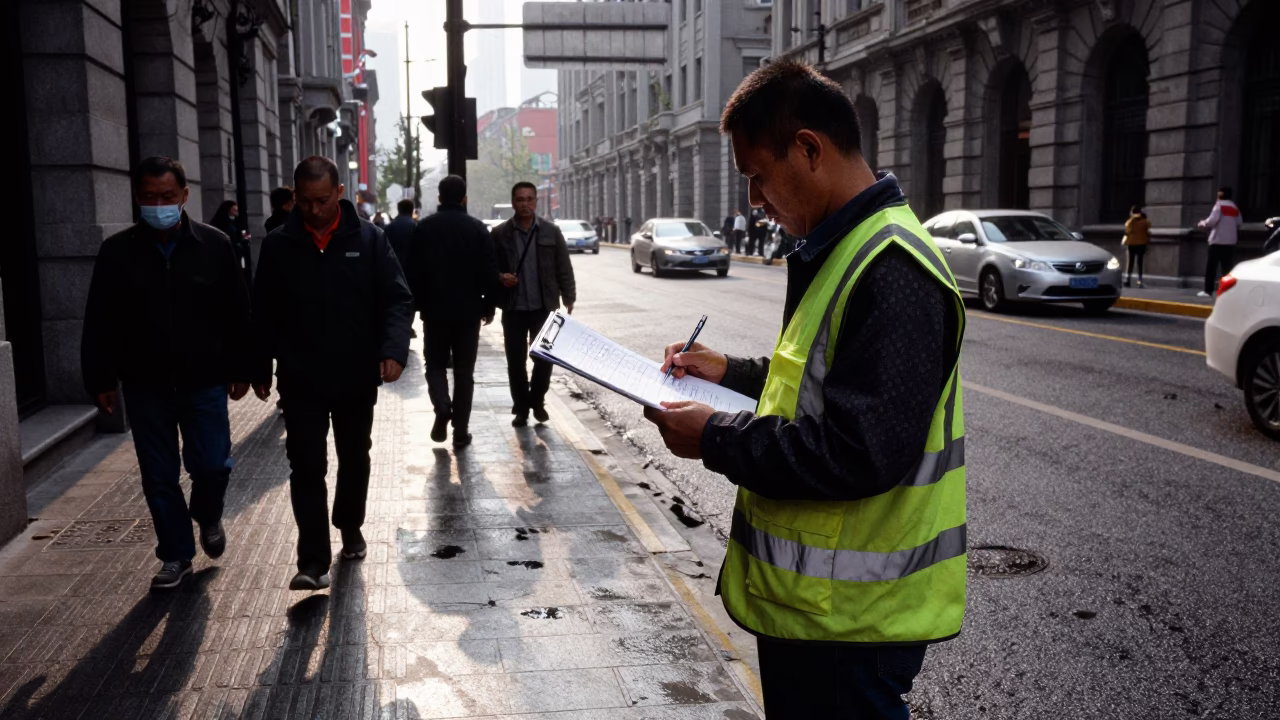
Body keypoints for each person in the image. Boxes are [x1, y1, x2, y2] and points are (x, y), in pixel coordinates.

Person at [643, 59, 965, 719]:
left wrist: (713, 438)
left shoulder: (892, 264)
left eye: (758, 177)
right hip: (819, 614)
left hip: (855, 626)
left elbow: (858, 448)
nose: (755, 201)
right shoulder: (842, 246)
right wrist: (725, 371)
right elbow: (815, 383)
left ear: (809, 149)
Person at [81, 157, 253, 590]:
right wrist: (100, 378)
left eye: (168, 197)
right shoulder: (118, 252)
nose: (159, 204)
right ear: (138, 198)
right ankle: (176, 554)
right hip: (146, 384)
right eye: (150, 197)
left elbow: (238, 313)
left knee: (212, 466)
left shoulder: (213, 245)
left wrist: (243, 367)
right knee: (159, 476)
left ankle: (209, 514)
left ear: (184, 197)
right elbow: (100, 319)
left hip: (204, 380)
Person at [251, 156, 414, 591]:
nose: (314, 210)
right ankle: (312, 561)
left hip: (355, 373)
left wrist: (394, 350)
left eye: (322, 200)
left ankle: (350, 524)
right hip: (301, 376)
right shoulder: (279, 244)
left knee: (354, 456)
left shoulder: (370, 239)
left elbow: (397, 300)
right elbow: (263, 311)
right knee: (305, 465)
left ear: (339, 193)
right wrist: (259, 364)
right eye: (305, 202)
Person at [404, 175, 498, 448]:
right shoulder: (478, 228)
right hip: (468, 312)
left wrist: (418, 305)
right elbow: (490, 271)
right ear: (464, 198)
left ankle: (443, 406)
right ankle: (461, 430)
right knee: (464, 371)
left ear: (439, 198)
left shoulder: (424, 228)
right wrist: (488, 306)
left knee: (434, 365)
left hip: (434, 311)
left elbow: (412, 271)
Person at [492, 182, 576, 427]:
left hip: (544, 307)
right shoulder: (500, 234)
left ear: (536, 202)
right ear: (513, 202)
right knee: (515, 361)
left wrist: (568, 296)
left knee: (545, 358)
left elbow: (563, 266)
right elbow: (489, 268)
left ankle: (537, 399)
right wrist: (500, 277)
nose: (525, 204)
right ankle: (521, 408)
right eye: (520, 199)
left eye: (529, 199)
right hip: (514, 308)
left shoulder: (551, 231)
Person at [1197, 186, 1242, 297]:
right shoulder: (1234, 207)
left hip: (1217, 241)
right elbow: (1239, 222)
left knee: (1211, 267)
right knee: (1227, 268)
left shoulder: (1219, 206)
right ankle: (1228, 291)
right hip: (1230, 242)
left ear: (1220, 194)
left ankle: (1208, 291)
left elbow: (1211, 221)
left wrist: (1202, 223)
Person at [211, 200, 252, 287]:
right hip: (227, 255)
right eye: (234, 207)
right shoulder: (222, 222)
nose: (236, 209)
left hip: (236, 254)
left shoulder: (234, 222)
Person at [1122, 205, 1151, 288]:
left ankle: (1127, 280)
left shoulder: (1130, 221)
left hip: (1131, 244)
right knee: (1140, 263)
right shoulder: (1145, 221)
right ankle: (1140, 281)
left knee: (1130, 262)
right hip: (1141, 243)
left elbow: (1127, 230)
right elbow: (1148, 232)